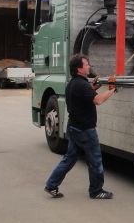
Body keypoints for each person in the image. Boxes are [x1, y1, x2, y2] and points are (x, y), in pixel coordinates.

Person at [44, 54, 116, 199]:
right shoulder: (81, 85)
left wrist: (93, 87)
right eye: (86, 64)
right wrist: (111, 90)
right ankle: (96, 191)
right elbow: (98, 100)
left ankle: (51, 185)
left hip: (74, 128)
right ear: (79, 69)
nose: (89, 66)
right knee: (95, 160)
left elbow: (84, 95)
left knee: (69, 159)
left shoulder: (73, 84)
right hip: (85, 130)